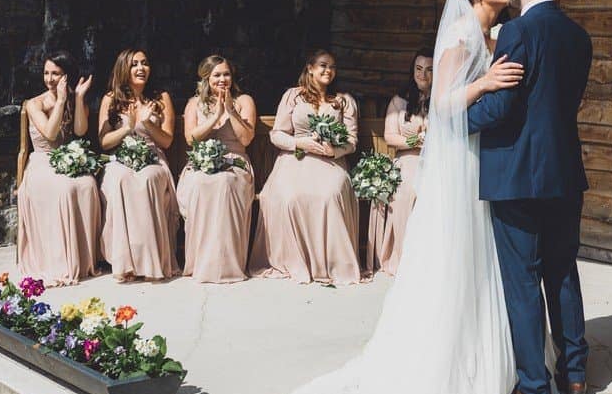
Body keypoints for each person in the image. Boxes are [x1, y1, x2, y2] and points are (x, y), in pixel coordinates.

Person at [272, 0, 525, 394]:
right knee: (456, 255)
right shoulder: (461, 37)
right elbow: (446, 103)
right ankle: (451, 367)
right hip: (462, 160)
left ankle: (496, 358)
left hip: (486, 155)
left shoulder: (498, 34)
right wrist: (485, 82)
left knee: (486, 256)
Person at [468, 0, 593, 394]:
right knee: (562, 270)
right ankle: (576, 374)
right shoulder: (580, 38)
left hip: (518, 173)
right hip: (564, 171)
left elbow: (503, 105)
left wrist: (451, 120)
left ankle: (535, 389)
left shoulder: (519, 31)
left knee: (522, 279)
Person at [248, 49, 362, 285]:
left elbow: (351, 141)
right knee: (289, 196)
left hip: (330, 161)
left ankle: (328, 263)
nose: (327, 70)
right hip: (295, 158)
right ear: (310, 68)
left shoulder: (343, 101)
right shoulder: (293, 97)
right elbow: (276, 134)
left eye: (332, 66)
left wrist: (335, 150)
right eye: (322, 65)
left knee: (329, 196)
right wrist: (300, 142)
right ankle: (294, 259)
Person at [17, 51, 100, 286]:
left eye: (56, 73)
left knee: (87, 184)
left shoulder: (73, 99)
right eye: (46, 73)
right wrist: (61, 101)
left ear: (66, 76)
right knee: (64, 189)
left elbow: (81, 131)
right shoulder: (35, 103)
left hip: (66, 157)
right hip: (42, 161)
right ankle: (59, 259)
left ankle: (83, 259)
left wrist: (79, 98)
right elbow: (51, 134)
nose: (50, 79)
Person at [98, 48, 179, 282]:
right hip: (120, 157)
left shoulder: (161, 98)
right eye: (134, 64)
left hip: (152, 156)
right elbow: (104, 142)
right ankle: (126, 263)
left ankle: (151, 261)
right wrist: (127, 127)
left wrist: (146, 123)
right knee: (121, 179)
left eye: (144, 63)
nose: (141, 68)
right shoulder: (111, 99)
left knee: (149, 179)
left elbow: (167, 140)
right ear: (124, 68)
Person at [176, 55, 257, 283]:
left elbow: (246, 139)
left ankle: (228, 265)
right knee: (202, 183)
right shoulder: (194, 104)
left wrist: (230, 111)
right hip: (202, 162)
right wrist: (215, 117)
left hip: (235, 162)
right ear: (206, 78)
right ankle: (202, 262)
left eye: (226, 74)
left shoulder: (244, 101)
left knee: (225, 183)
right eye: (217, 75)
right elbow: (191, 139)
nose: (223, 79)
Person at [367, 48, 433, 276]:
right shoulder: (399, 101)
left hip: (436, 160)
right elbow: (390, 137)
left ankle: (431, 257)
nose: (423, 75)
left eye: (429, 69)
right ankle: (405, 256)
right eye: (418, 68)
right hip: (407, 158)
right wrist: (416, 141)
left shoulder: (442, 99)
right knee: (407, 192)